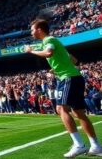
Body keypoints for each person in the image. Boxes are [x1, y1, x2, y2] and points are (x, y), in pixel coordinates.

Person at [25, 19, 102, 157]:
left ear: (39, 30)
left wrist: (32, 51)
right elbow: (73, 60)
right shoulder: (55, 41)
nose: (31, 33)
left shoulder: (49, 40)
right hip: (74, 77)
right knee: (79, 113)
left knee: (61, 108)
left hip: (68, 78)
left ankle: (79, 145)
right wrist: (57, 68)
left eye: (32, 30)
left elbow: (48, 53)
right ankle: (95, 146)